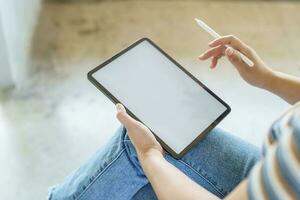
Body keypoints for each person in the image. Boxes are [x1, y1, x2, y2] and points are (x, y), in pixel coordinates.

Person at [48, 35, 300, 200]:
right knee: (163, 142)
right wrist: (270, 79)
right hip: (282, 166)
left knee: (142, 146)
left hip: (288, 170)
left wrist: (149, 155)